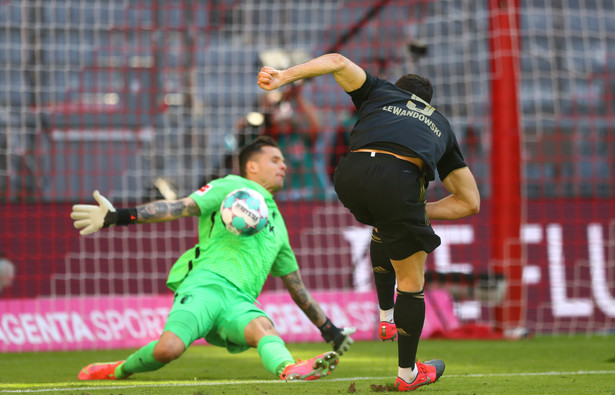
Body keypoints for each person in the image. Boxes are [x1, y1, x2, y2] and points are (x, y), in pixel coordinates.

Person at [257, 54, 480, 391]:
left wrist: (283, 76)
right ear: (427, 104)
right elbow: (470, 202)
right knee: (411, 279)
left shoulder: (378, 91)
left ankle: (386, 317)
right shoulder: (441, 125)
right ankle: (408, 374)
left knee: (385, 222)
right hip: (399, 180)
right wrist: (416, 210)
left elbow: (335, 61)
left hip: (349, 176)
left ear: (396, 89)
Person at [70, 136, 355, 382]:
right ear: (251, 166)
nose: (284, 166)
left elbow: (296, 285)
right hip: (205, 285)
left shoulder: (278, 224)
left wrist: (329, 330)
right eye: (275, 160)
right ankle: (118, 370)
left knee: (263, 327)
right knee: (167, 350)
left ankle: (289, 368)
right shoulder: (230, 187)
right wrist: (119, 216)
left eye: (283, 161)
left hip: (241, 301)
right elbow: (181, 207)